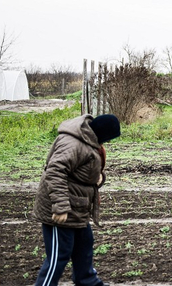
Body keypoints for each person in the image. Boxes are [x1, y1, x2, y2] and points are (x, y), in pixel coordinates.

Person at [32, 114, 121, 286]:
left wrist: (100, 178)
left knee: (84, 245)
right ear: (103, 134)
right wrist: (60, 207)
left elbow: (83, 172)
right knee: (59, 255)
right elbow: (55, 171)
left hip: (78, 206)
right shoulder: (73, 143)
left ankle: (87, 281)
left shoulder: (90, 141)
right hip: (61, 208)